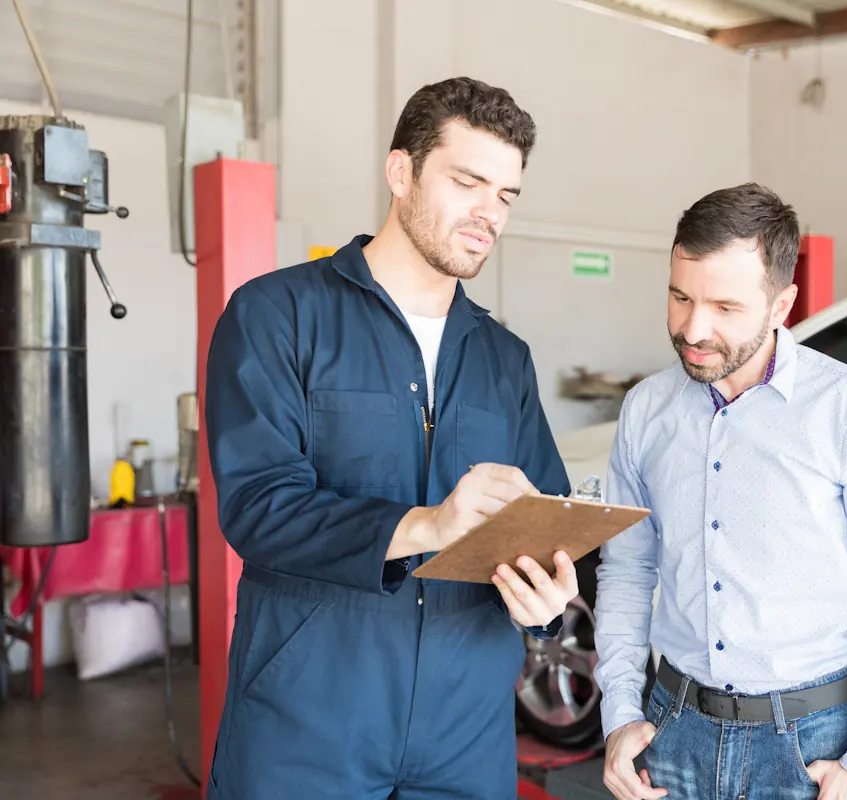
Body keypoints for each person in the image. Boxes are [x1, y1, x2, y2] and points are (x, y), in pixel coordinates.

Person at [203, 77, 578, 799]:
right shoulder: (278, 316)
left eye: (505, 196)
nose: (488, 214)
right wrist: (427, 524)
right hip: (310, 713)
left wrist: (544, 594)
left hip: (467, 724)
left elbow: (544, 512)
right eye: (468, 182)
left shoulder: (505, 358)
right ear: (401, 172)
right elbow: (258, 506)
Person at [595, 183, 847, 800]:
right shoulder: (646, 410)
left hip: (809, 743)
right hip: (669, 730)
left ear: (782, 302)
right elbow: (628, 572)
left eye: (725, 308)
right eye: (680, 297)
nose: (693, 328)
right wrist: (621, 713)